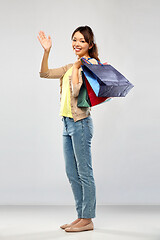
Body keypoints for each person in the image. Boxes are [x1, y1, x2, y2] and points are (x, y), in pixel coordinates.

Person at [38, 25, 100, 232]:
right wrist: (47, 51)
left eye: (82, 40)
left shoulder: (91, 65)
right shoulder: (70, 66)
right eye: (75, 39)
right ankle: (81, 216)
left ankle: (88, 219)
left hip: (81, 122)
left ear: (90, 44)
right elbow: (45, 73)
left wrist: (77, 67)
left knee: (84, 172)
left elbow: (75, 92)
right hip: (66, 122)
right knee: (72, 172)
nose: (77, 43)